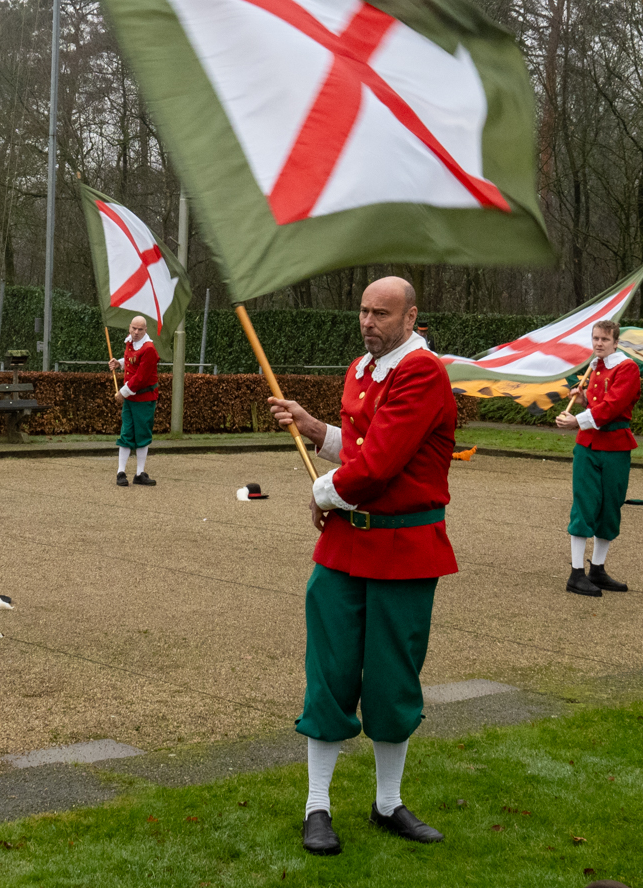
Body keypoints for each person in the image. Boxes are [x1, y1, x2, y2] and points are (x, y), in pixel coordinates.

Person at [268, 276, 457, 857]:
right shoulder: (361, 369)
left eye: (382, 313)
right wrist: (313, 428)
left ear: (411, 317)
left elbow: (378, 465)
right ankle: (316, 807)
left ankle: (388, 803)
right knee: (329, 674)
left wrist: (322, 492)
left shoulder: (423, 372)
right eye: (364, 311)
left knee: (392, 680)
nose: (368, 322)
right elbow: (359, 449)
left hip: (404, 550)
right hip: (345, 547)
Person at [555, 320, 641, 597]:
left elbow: (613, 406)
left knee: (610, 506)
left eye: (604, 339)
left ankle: (598, 570)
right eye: (595, 338)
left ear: (616, 342)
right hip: (588, 445)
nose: (599, 343)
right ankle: (576, 573)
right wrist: (583, 402)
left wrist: (577, 420)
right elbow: (598, 404)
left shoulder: (627, 368)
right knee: (584, 505)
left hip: (615, 446)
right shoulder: (594, 367)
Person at [107, 315, 159, 486]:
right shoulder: (130, 342)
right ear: (129, 327)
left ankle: (139, 473)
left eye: (140, 329)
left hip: (144, 398)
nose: (136, 332)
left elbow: (141, 377)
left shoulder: (149, 349)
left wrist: (122, 392)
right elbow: (132, 362)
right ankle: (120, 472)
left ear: (145, 330)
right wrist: (119, 363)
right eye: (134, 328)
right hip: (131, 397)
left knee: (142, 434)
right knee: (126, 433)